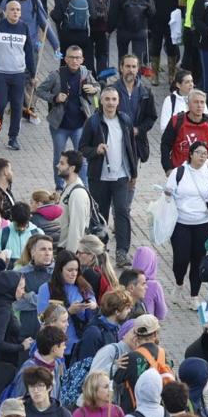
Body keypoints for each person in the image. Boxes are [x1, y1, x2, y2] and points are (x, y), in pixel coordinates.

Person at [79, 86, 138, 266]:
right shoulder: (93, 122)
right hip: (99, 177)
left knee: (122, 211)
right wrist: (95, 150)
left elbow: (131, 148)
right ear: (101, 101)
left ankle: (122, 251)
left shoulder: (125, 120)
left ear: (118, 102)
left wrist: (133, 173)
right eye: (107, 99)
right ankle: (100, 250)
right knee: (100, 215)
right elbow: (82, 148)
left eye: (114, 99)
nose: (110, 103)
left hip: (121, 176)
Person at [163, 142, 208, 306]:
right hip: (181, 222)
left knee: (198, 260)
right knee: (181, 259)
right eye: (199, 152)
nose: (202, 156)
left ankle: (194, 296)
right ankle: (179, 282)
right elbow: (168, 194)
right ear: (190, 154)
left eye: (205, 153)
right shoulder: (178, 172)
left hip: (204, 223)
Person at [35, 46, 99, 190]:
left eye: (78, 58)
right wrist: (54, 98)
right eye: (71, 57)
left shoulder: (85, 73)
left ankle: (84, 186)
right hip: (60, 126)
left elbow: (97, 87)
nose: (74, 61)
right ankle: (59, 186)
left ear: (82, 60)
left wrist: (94, 89)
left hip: (80, 125)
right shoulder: (56, 75)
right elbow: (40, 90)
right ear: (66, 59)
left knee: (82, 157)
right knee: (59, 158)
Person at [0, 0, 37, 151]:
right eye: (12, 9)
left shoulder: (24, 28)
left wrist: (33, 74)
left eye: (18, 10)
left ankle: (13, 137)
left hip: (18, 74)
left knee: (17, 106)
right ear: (6, 11)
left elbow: (29, 52)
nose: (15, 12)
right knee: (0, 103)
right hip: (0, 73)